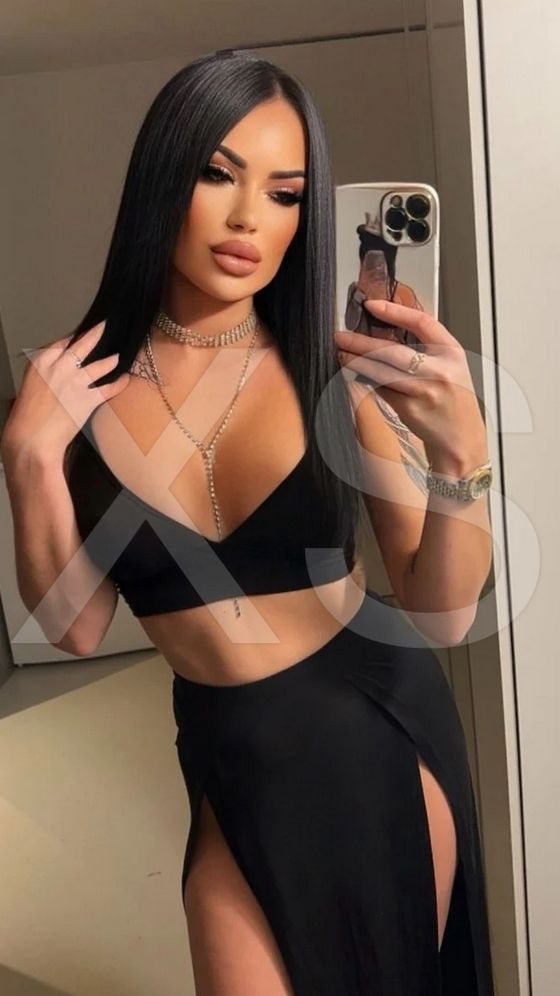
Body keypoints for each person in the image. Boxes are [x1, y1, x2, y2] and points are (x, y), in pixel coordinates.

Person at [0, 50, 496, 995]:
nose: (247, 220)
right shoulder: (70, 389)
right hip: (233, 762)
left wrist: (459, 455)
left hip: (376, 734)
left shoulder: (331, 371)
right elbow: (76, 624)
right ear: (162, 178)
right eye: (217, 174)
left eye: (284, 193)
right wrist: (28, 458)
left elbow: (441, 611)